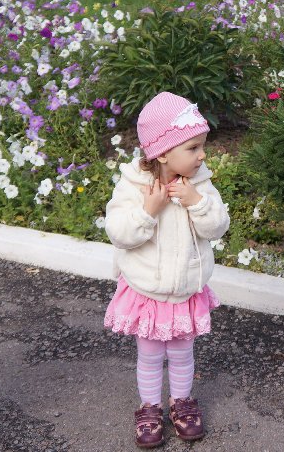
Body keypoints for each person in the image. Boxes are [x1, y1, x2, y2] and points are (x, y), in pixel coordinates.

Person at [103, 91, 230, 448]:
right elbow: (119, 232)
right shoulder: (134, 186)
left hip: (186, 289)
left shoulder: (199, 184)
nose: (202, 155)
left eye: (202, 146)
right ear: (162, 153)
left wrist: (197, 203)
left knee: (181, 353)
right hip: (147, 291)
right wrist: (148, 211)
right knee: (150, 355)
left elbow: (218, 226)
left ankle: (182, 401)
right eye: (193, 147)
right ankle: (150, 407)